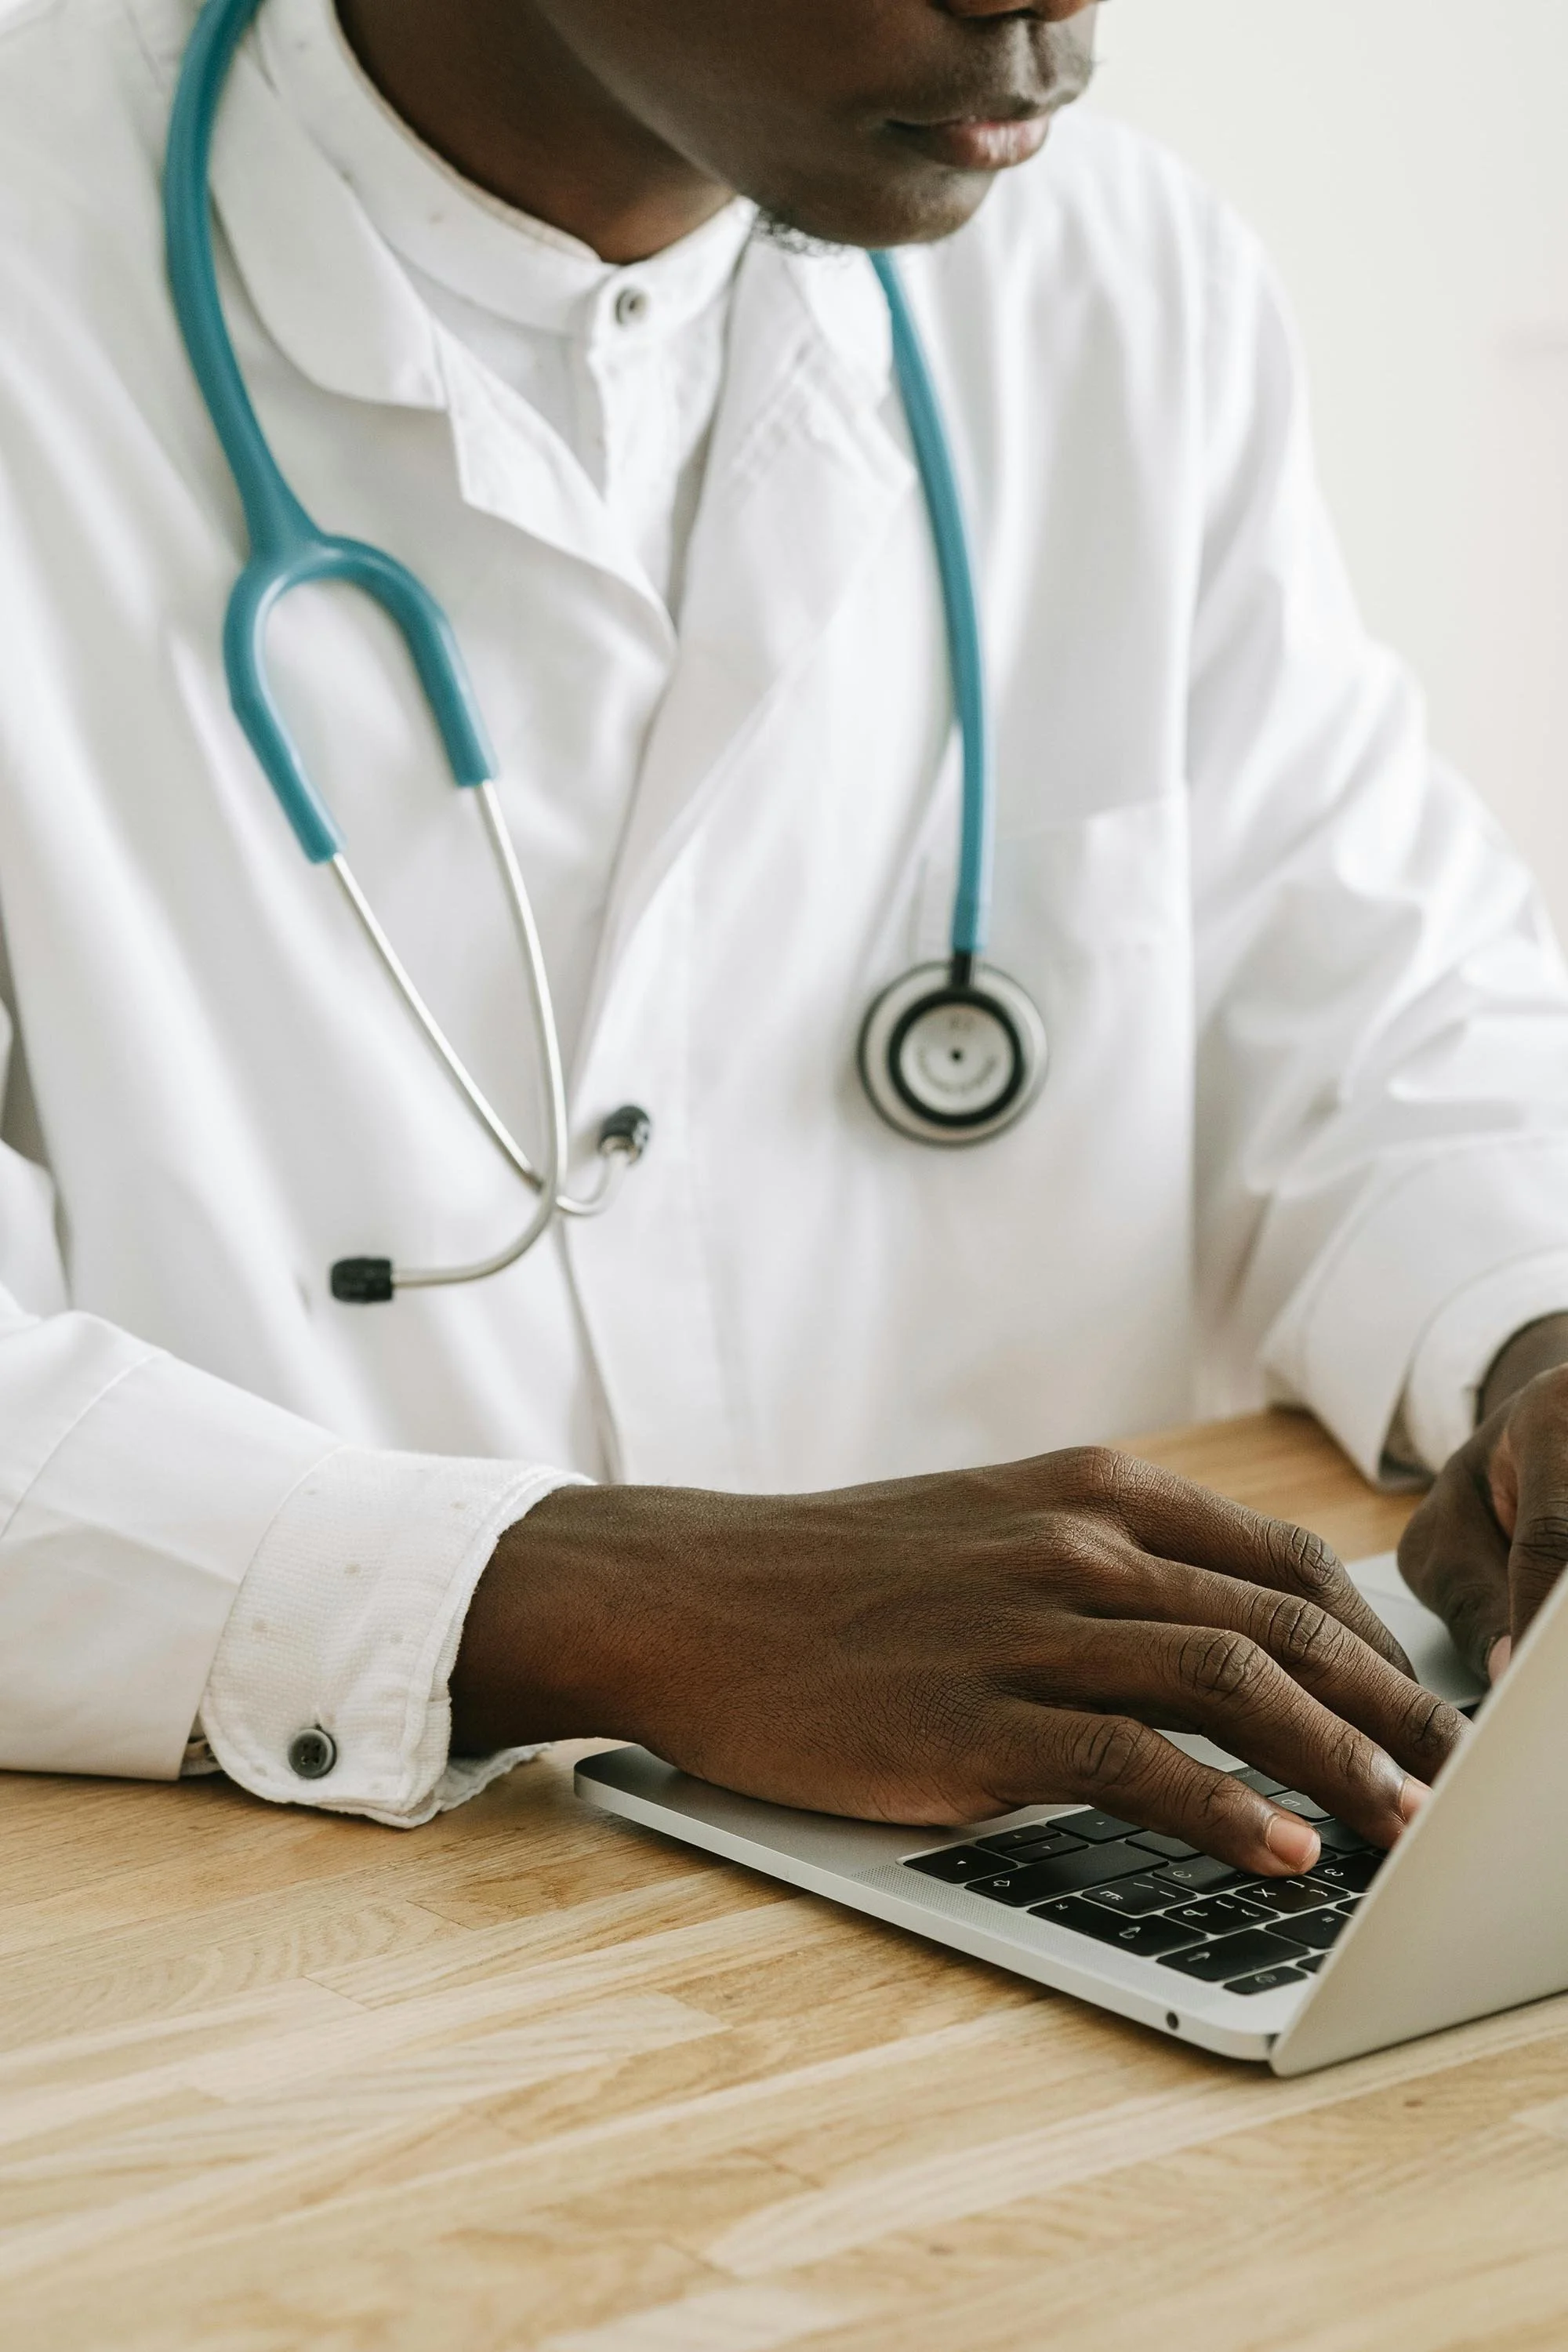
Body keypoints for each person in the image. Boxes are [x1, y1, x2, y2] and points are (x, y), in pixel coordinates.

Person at [2, 0, 1566, 1882]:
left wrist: (1529, 1342)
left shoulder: (1114, 282)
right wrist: (576, 1601)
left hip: (1058, 1901)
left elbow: (1375, 995)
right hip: (281, 1972)